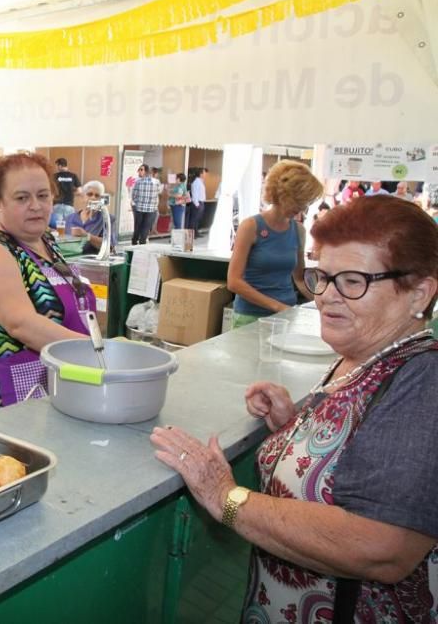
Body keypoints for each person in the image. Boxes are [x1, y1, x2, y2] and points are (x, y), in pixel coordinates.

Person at [152, 195, 438, 621]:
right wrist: (297, 428)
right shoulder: (364, 354)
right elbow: (359, 453)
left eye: (353, 281)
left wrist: (225, 496)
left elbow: (381, 547)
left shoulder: (424, 380)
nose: (326, 297)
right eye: (322, 277)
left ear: (419, 292)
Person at [0, 152, 94, 418]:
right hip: (4, 400)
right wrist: (98, 350)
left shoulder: (46, 244)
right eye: (22, 198)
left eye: (43, 195)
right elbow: (21, 324)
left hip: (53, 388)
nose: (36, 206)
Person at [228, 161, 323, 328]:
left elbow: (299, 278)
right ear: (283, 195)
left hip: (286, 315)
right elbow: (234, 281)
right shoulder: (250, 226)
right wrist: (276, 306)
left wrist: (321, 303)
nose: (302, 207)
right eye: (298, 201)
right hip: (250, 316)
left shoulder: (298, 231)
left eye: (306, 202)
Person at [64, 181, 116, 255]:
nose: (93, 198)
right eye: (89, 194)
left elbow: (110, 246)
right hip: (71, 260)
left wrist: (87, 236)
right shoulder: (69, 219)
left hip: (94, 263)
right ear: (83, 197)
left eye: (97, 195)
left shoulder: (107, 219)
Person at [130, 164, 159, 245]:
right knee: (146, 227)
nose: (139, 171)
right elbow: (158, 192)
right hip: (151, 209)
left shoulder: (138, 182)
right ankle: (142, 242)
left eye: (141, 170)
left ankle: (134, 241)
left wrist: (138, 202)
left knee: (137, 226)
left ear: (146, 172)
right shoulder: (156, 182)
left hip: (139, 208)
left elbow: (134, 195)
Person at [51, 157, 80, 227]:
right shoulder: (73, 176)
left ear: (60, 166)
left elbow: (50, 191)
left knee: (57, 228)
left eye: (57, 166)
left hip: (57, 205)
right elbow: (79, 191)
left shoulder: (54, 176)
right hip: (69, 205)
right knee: (69, 227)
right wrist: (71, 192)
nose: (57, 168)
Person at [186, 167, 209, 234]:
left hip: (201, 202)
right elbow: (195, 194)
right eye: (204, 173)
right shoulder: (196, 182)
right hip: (197, 203)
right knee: (194, 219)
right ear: (200, 174)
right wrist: (197, 204)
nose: (205, 174)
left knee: (197, 219)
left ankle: (196, 233)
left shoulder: (200, 181)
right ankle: (191, 234)